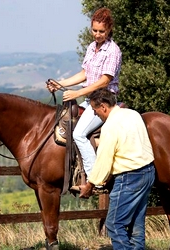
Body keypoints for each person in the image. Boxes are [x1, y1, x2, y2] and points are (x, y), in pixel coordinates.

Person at [46, 7, 122, 184]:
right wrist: (60, 84)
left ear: (109, 29)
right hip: (90, 100)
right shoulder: (91, 48)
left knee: (79, 133)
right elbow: (84, 74)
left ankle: (95, 177)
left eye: (101, 31)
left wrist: (78, 92)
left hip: (104, 101)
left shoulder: (113, 51)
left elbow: (105, 80)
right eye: (94, 30)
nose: (97, 35)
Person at [78, 88, 155, 249]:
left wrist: (90, 185)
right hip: (148, 171)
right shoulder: (133, 114)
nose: (95, 114)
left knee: (113, 224)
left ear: (103, 107)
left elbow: (104, 160)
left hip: (129, 176)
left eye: (95, 110)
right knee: (136, 222)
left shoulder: (110, 126)